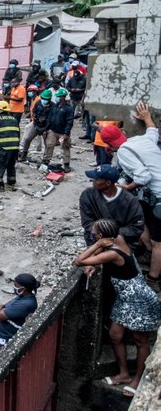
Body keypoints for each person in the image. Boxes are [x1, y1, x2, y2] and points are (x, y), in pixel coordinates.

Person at [74, 219, 160, 397]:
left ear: (101, 236)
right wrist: (94, 261)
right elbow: (96, 254)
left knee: (139, 339)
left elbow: (79, 260)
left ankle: (138, 379)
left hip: (137, 298)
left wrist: (94, 249)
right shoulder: (116, 238)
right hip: (125, 297)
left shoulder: (113, 253)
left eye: (95, 234)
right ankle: (123, 374)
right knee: (115, 335)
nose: (92, 235)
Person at [103, 102, 161, 286]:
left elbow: (143, 176)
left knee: (159, 242)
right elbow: (153, 131)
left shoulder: (124, 153)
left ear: (108, 145)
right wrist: (147, 117)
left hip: (158, 196)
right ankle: (150, 254)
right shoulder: (141, 140)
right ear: (123, 134)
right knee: (141, 220)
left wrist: (125, 188)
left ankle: (152, 279)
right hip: (152, 197)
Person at [79, 165, 145, 247]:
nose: (93, 181)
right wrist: (100, 235)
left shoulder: (129, 201)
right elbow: (87, 221)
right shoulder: (88, 194)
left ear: (108, 183)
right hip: (96, 239)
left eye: (97, 179)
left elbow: (136, 227)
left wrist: (111, 236)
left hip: (122, 242)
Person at [0, 273, 39, 348]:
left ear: (25, 288)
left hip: (8, 337)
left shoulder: (24, 305)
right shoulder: (23, 296)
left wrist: (1, 307)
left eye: (16, 285)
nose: (14, 287)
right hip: (5, 332)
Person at [0, 101, 20, 191]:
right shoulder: (14, 119)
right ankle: (11, 183)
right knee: (11, 165)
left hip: (4, 147)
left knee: (0, 165)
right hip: (15, 147)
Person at [43, 88, 74, 172]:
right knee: (49, 145)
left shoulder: (68, 109)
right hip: (53, 130)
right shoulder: (54, 106)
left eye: (58, 97)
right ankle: (46, 161)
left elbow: (69, 122)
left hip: (63, 132)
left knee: (65, 148)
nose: (57, 98)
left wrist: (66, 133)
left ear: (63, 97)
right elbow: (50, 118)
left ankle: (66, 164)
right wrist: (46, 129)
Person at [19, 88, 52, 162]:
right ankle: (24, 154)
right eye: (43, 98)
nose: (44, 100)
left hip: (47, 127)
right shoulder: (38, 103)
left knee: (48, 144)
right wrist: (36, 118)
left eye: (46, 99)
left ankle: (46, 159)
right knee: (27, 139)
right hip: (36, 124)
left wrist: (45, 124)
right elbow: (34, 111)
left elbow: (52, 119)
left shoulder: (53, 106)